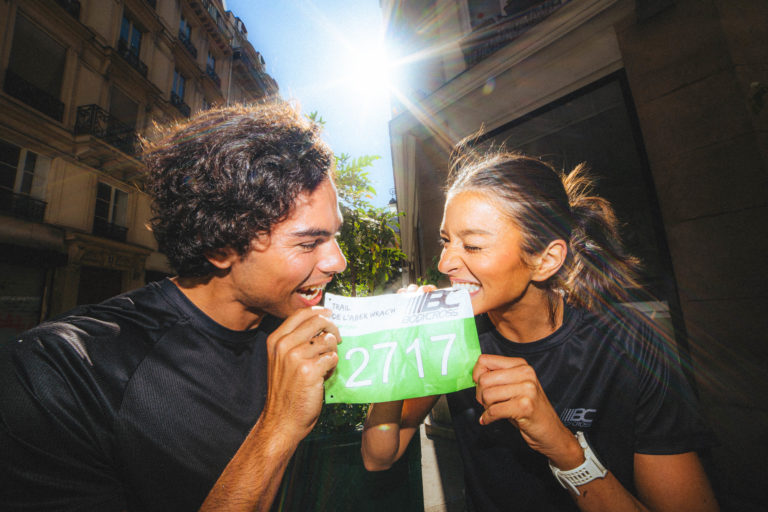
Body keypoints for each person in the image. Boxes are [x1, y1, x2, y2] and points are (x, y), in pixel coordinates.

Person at [0, 103, 347, 511]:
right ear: (220, 247)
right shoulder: (59, 372)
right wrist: (278, 428)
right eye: (309, 243)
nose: (337, 261)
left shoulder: (310, 332)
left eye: (334, 236)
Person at [361, 149, 719, 511]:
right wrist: (394, 358)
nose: (445, 263)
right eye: (445, 240)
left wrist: (561, 446)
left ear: (546, 260)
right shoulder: (449, 335)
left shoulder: (628, 344)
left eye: (472, 245)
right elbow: (378, 456)